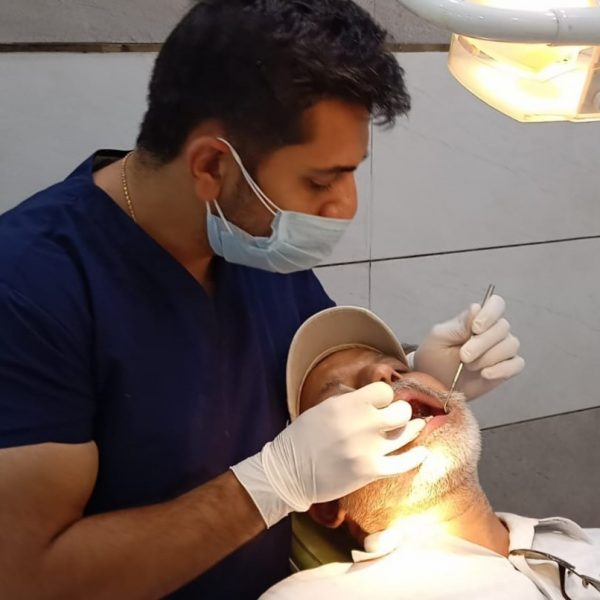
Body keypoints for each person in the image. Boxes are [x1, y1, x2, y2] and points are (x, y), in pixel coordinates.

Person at [0, 1, 524, 598]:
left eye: (352, 173)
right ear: (212, 166)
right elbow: (26, 578)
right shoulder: (29, 291)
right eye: (321, 181)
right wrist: (271, 484)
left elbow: (308, 388)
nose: (344, 207)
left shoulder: (254, 245)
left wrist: (419, 379)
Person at [261, 306, 599, 599]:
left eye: (401, 369)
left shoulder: (588, 544)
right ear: (326, 505)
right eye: (343, 398)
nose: (384, 374)